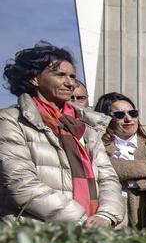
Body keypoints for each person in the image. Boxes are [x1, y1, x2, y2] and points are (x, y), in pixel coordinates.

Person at [0, 42, 124, 226]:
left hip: (93, 233)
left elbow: (108, 178)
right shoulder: (11, 120)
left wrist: (105, 217)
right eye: (60, 75)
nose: (70, 83)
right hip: (38, 232)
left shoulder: (87, 126)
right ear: (34, 79)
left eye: (72, 76)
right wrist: (81, 221)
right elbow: (21, 183)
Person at [95, 92, 146, 228]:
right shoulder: (97, 146)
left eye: (133, 113)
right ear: (106, 118)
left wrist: (131, 183)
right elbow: (106, 167)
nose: (128, 118)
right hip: (112, 216)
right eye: (119, 115)